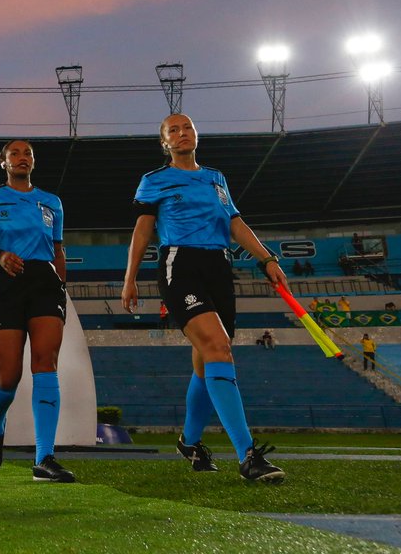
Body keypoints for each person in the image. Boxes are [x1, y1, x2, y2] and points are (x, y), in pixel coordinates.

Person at [121, 114, 285, 483]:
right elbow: (142, 231)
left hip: (219, 268)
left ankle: (189, 442)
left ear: (197, 135)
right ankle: (248, 456)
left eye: (188, 128)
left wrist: (267, 259)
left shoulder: (216, 178)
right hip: (181, 264)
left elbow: (234, 223)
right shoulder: (154, 180)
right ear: (165, 143)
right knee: (219, 348)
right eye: (173, 130)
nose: (183, 134)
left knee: (205, 362)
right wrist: (130, 278)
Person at [0, 139, 74, 483]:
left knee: (46, 364)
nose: (22, 157)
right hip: (5, 281)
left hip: (44, 282)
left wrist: (61, 285)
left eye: (28, 153)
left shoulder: (52, 202)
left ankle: (45, 458)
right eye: (14, 153)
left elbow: (58, 249)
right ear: (3, 162)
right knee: (7, 377)